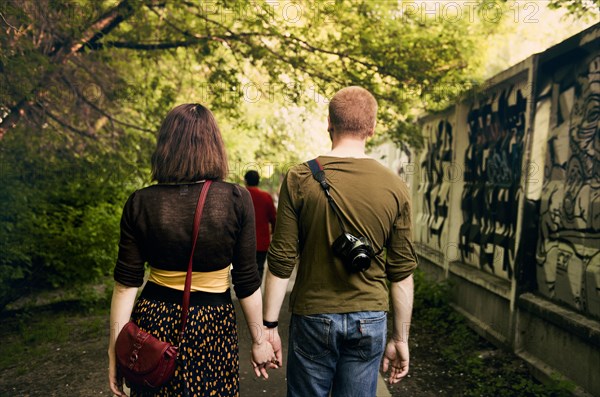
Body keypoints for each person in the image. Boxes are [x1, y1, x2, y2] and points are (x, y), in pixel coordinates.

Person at [108, 103, 277, 397]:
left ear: (165, 146)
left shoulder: (140, 202)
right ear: (214, 145)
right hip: (212, 322)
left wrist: (116, 353)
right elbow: (247, 281)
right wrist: (259, 339)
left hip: (153, 321)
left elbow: (126, 286)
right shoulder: (236, 199)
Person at [262, 86, 418, 397]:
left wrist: (267, 328)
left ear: (329, 123)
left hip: (313, 316)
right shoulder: (395, 186)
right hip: (370, 317)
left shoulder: (300, 178)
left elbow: (280, 261)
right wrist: (400, 339)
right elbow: (401, 275)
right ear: (371, 129)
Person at [244, 170, 277, 281]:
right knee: (259, 268)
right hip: (262, 242)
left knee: (244, 270)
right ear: (258, 181)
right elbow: (274, 218)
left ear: (245, 181)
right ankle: (256, 292)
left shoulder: (240, 195)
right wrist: (273, 231)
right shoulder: (266, 197)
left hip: (243, 242)